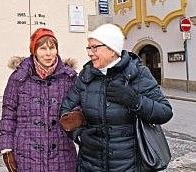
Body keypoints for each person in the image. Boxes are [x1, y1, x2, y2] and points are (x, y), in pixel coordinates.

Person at [60, 23, 173, 172]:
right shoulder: (86, 75)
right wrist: (78, 135)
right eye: (89, 47)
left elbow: (165, 112)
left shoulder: (137, 73)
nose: (90, 53)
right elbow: (65, 108)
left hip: (128, 165)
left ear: (112, 50)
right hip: (90, 164)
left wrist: (134, 100)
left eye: (95, 47)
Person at [0, 28, 78, 172]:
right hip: (27, 154)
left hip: (61, 154)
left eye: (52, 48)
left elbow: (80, 106)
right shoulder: (18, 78)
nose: (48, 53)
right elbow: (8, 113)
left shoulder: (69, 78)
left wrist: (77, 117)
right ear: (34, 51)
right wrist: (6, 148)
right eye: (42, 48)